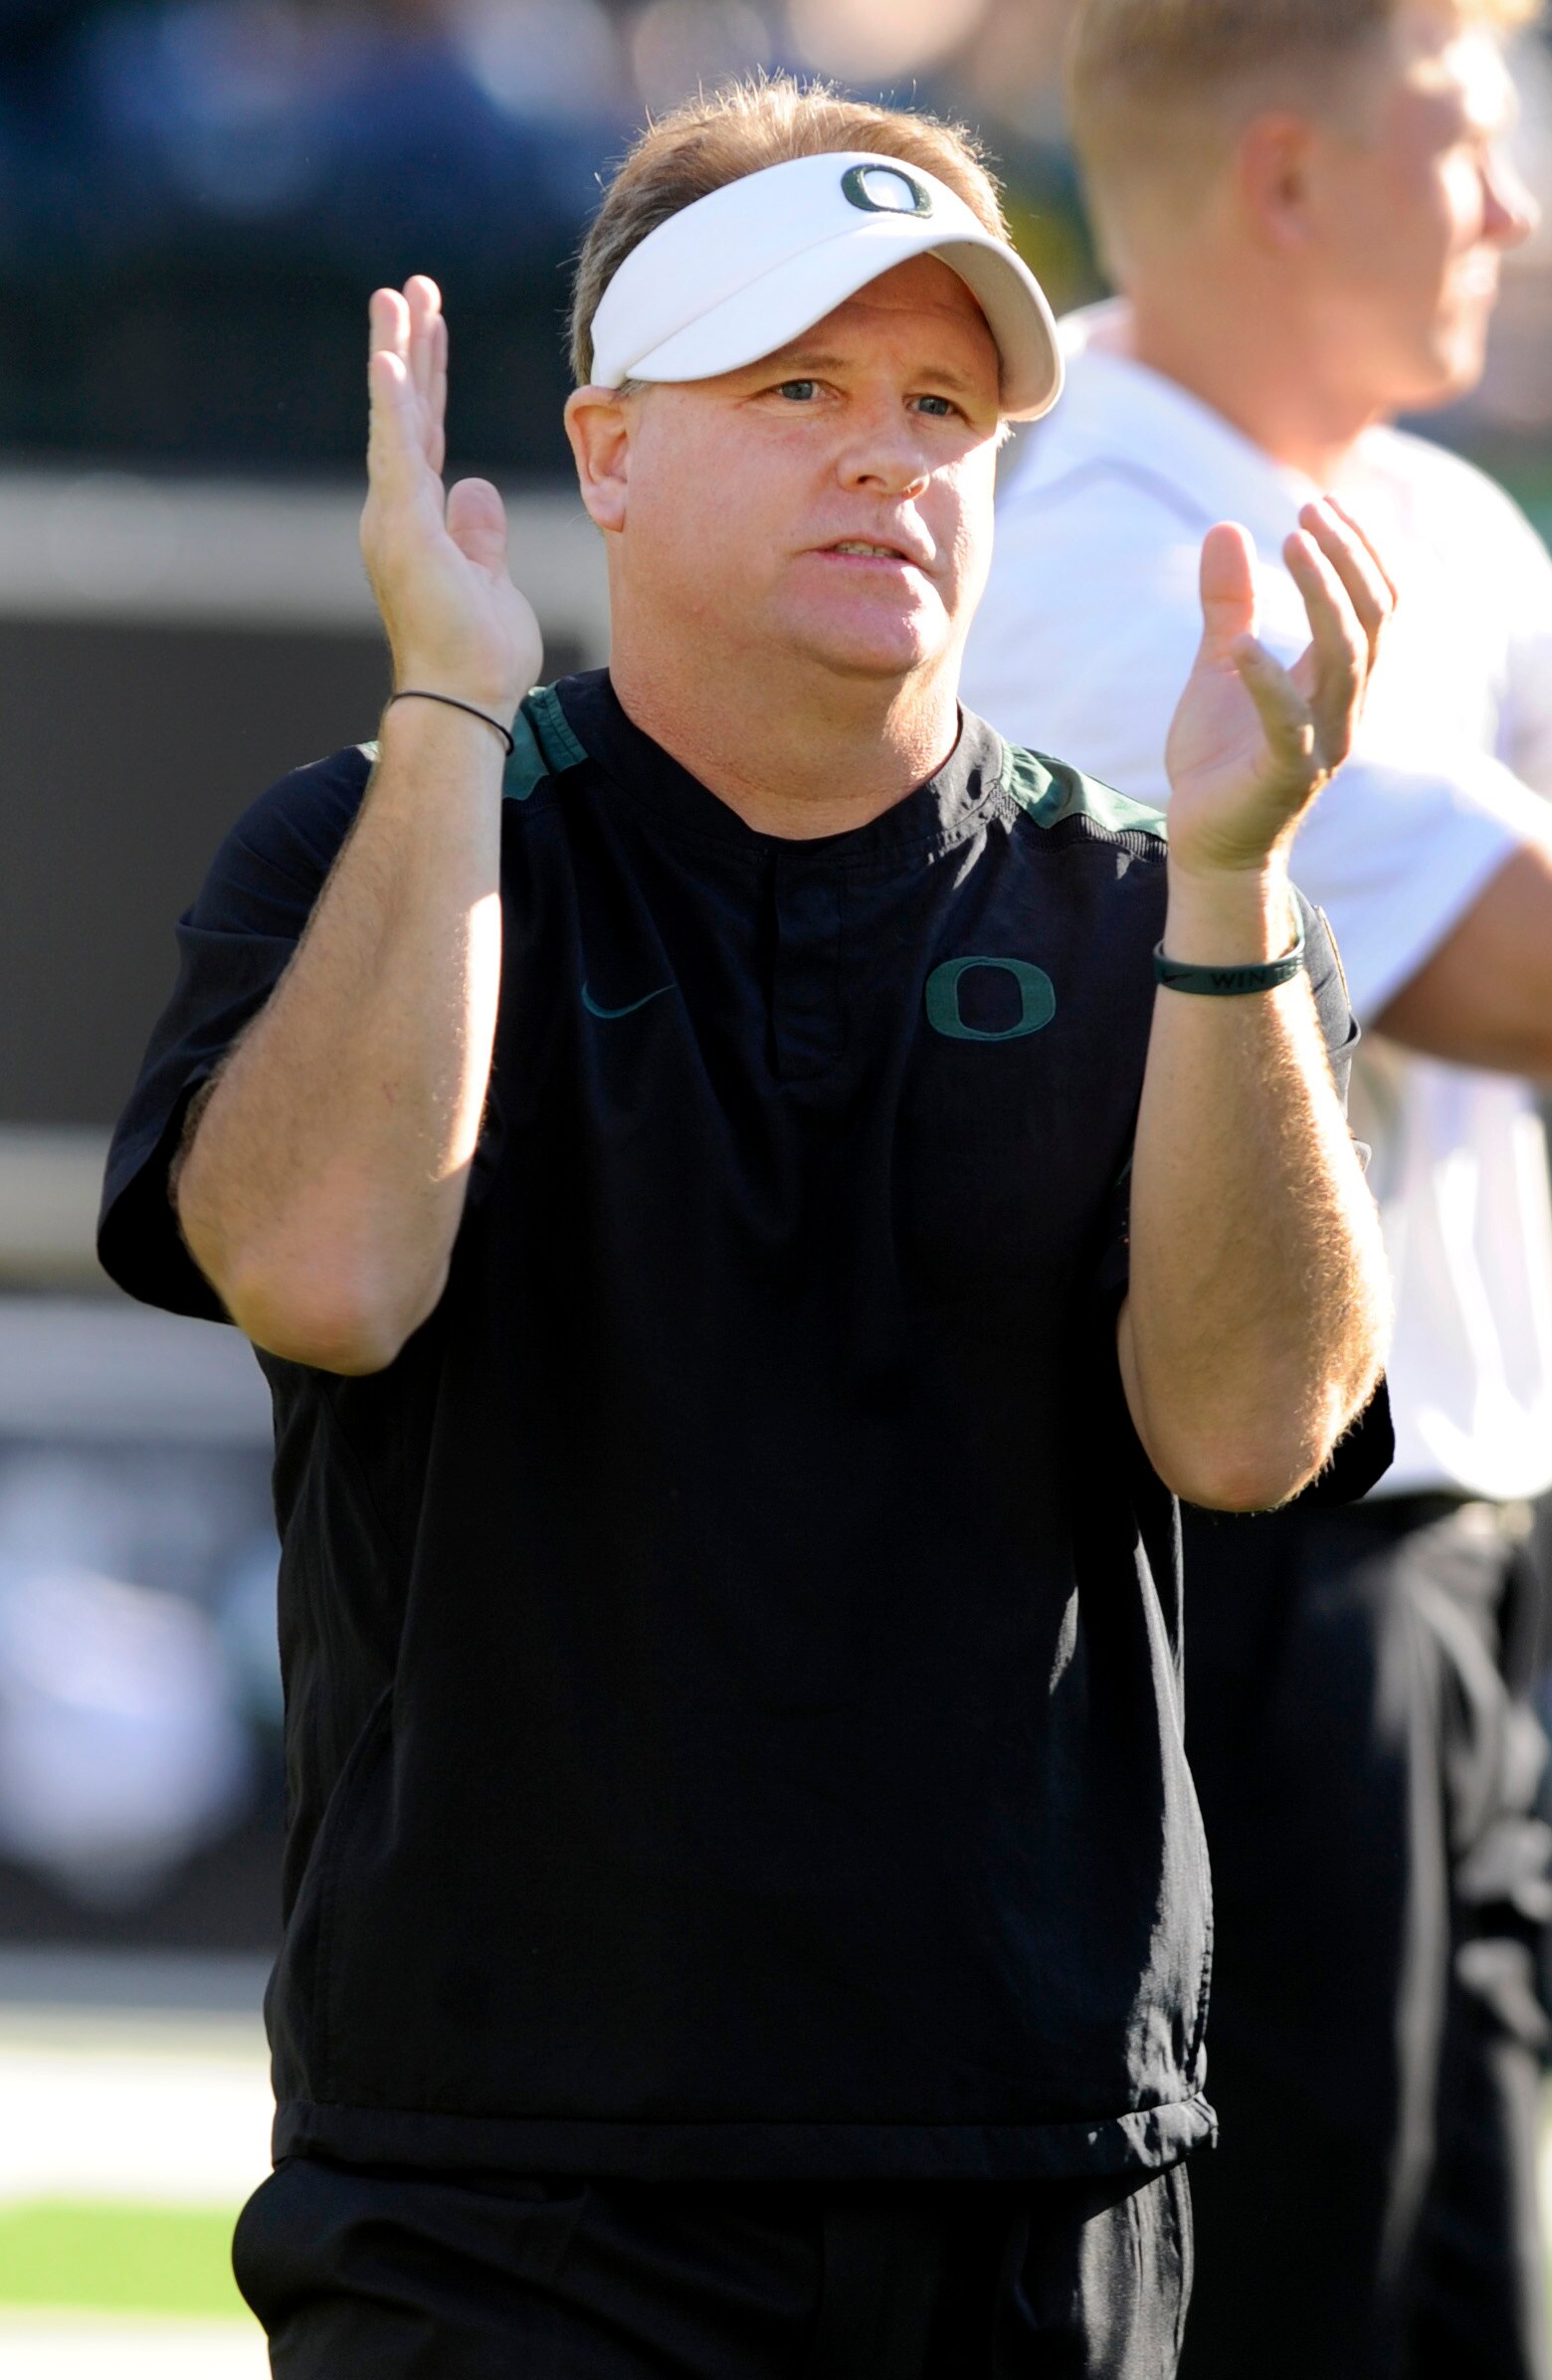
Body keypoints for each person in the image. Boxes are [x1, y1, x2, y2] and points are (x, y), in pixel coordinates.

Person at [99, 78, 1392, 2379]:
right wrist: (444, 708)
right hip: (499, 2192)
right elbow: (328, 1266)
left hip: (1044, 2186)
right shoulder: (379, 838)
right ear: (606, 452)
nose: (886, 453)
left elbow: (1253, 1430)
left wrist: (1238, 882)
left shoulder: (1149, 897)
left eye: (939, 403)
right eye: (798, 385)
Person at [961, 4, 1552, 2375]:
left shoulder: (1451, 523)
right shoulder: (1093, 522)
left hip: (1456, 1549)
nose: (1514, 207)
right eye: (1474, 143)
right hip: (1233, 1567)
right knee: (1275, 2302)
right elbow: (1509, 962)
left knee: (1454, 2303)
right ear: (1289, 175)